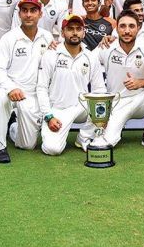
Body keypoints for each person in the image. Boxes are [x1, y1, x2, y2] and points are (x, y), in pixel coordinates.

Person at [0, 0, 54, 163]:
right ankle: (0, 148)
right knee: (2, 98)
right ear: (19, 14)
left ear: (40, 14)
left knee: (27, 145)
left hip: (33, 94)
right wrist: (11, 88)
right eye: (24, 11)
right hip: (11, 89)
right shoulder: (9, 38)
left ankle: (12, 126)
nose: (28, 15)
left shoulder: (48, 38)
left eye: (33, 11)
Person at [93, 10, 144, 149]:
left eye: (131, 26)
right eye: (123, 26)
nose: (127, 31)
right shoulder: (106, 47)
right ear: (116, 28)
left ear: (138, 28)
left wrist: (140, 83)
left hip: (141, 100)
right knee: (106, 143)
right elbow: (86, 60)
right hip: (117, 103)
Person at [37, 14, 107, 155]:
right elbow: (41, 87)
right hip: (58, 110)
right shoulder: (51, 55)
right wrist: (49, 116)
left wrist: (102, 116)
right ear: (63, 32)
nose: (75, 33)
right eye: (70, 29)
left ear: (84, 32)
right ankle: (17, 128)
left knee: (103, 105)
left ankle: (84, 137)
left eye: (78, 29)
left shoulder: (90, 57)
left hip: (81, 106)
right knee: (52, 150)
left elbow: (99, 89)